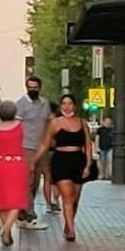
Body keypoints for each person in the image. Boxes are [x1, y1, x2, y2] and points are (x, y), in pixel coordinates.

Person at [32, 94, 93, 241]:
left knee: (75, 198)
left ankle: (69, 223)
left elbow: (88, 145)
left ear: (75, 106)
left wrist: (88, 164)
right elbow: (45, 144)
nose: (67, 106)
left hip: (78, 161)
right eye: (64, 104)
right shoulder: (55, 123)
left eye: (70, 103)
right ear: (60, 106)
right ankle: (71, 230)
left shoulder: (82, 123)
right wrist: (33, 161)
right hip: (61, 161)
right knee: (67, 196)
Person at [0, 100, 30, 246]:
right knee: (18, 198)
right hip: (17, 164)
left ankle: (7, 231)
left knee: (2, 198)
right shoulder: (20, 127)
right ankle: (6, 228)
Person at [16, 76, 52, 229]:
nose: (32, 90)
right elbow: (17, 126)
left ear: (39, 88)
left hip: (41, 148)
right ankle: (30, 215)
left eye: (35, 87)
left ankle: (22, 214)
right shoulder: (21, 104)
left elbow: (49, 123)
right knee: (27, 180)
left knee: (36, 181)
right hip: (26, 147)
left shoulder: (45, 104)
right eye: (30, 87)